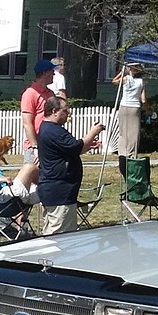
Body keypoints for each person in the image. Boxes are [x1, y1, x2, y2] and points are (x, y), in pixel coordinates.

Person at [37, 96, 104, 235]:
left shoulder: (49, 128)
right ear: (54, 111)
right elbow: (75, 146)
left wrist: (88, 145)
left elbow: (72, 151)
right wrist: (93, 132)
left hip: (54, 191)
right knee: (61, 238)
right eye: (65, 110)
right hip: (59, 193)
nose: (69, 113)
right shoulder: (53, 131)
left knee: (51, 236)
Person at [20, 59, 57, 165]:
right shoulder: (30, 94)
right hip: (35, 146)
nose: (54, 74)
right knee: (32, 174)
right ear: (45, 73)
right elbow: (27, 123)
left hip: (49, 143)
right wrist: (35, 147)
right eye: (52, 71)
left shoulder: (50, 93)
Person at [112, 63, 147, 170]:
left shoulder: (125, 79)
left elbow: (114, 81)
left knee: (123, 132)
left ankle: (122, 155)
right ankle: (132, 155)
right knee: (133, 133)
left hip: (123, 107)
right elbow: (143, 100)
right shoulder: (141, 82)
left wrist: (121, 73)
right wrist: (147, 109)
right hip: (134, 108)